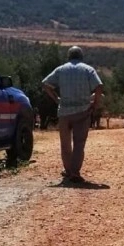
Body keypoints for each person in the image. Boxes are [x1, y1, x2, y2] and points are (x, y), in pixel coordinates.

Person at [42, 46, 103, 183]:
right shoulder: (88, 69)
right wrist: (95, 104)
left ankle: (68, 170)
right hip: (83, 111)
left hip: (64, 111)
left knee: (65, 143)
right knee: (79, 143)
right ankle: (75, 172)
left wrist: (56, 99)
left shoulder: (61, 69)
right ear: (81, 56)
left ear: (69, 56)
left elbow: (45, 84)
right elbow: (99, 86)